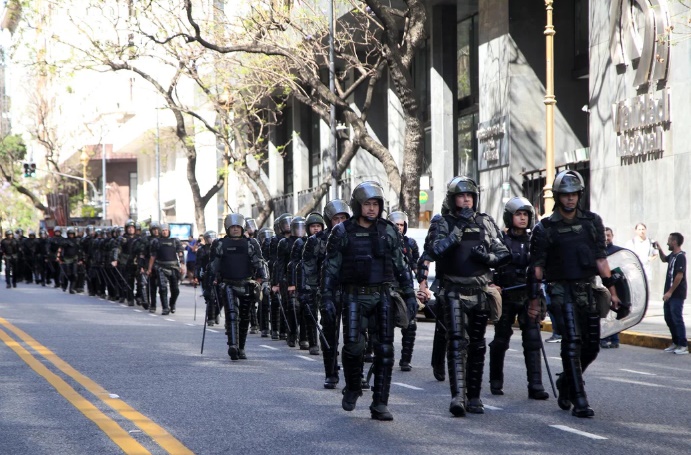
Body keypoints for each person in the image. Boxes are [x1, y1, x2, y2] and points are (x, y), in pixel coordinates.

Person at [320, 181, 417, 421]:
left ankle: (380, 403)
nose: (372, 209)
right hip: (353, 296)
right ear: (357, 205)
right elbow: (330, 268)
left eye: (375, 204)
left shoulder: (388, 231)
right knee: (353, 347)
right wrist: (327, 298)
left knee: (385, 351)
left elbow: (401, 265)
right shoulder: (342, 232)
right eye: (367, 204)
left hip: (382, 295)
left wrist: (410, 293)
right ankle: (353, 387)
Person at [529, 170, 622, 418]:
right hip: (560, 290)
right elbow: (537, 268)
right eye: (565, 195)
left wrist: (612, 291)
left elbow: (601, 260)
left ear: (579, 195)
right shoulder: (545, 227)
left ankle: (566, 382)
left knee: (591, 346)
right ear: (558, 197)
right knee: (572, 342)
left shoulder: (592, 222)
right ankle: (579, 399)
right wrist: (535, 301)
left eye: (574, 194)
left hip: (587, 288)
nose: (570, 199)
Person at [427, 176, 510, 417]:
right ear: (453, 200)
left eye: (470, 196)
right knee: (456, 344)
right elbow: (435, 251)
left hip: (479, 291)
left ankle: (474, 396)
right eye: (461, 196)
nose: (466, 200)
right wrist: (459, 229)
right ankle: (458, 396)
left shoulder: (485, 222)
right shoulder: (442, 222)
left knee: (478, 346)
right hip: (453, 290)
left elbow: (503, 253)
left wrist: (487, 259)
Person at [489, 196, 549, 400]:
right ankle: (495, 380)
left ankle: (535, 385)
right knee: (500, 340)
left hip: (529, 295)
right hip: (506, 295)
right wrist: (492, 283)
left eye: (525, 214)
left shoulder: (535, 241)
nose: (522, 218)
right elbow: (490, 265)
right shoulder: (500, 240)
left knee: (532, 340)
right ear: (509, 217)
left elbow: (543, 266)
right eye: (518, 214)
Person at [304, 200, 351, 388]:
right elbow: (308, 269)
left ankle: (355, 374)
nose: (339, 222)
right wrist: (308, 291)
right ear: (328, 220)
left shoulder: (355, 236)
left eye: (343, 218)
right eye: (336, 219)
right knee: (329, 334)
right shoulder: (316, 241)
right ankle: (331, 372)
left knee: (355, 335)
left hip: (351, 291)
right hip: (327, 293)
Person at [211, 214, 267, 360]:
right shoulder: (219, 244)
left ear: (242, 228)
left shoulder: (251, 243)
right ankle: (232, 346)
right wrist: (210, 278)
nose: (235, 229)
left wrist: (263, 279)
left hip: (247, 284)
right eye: (232, 227)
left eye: (238, 227)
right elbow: (213, 265)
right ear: (227, 228)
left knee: (245, 317)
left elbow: (259, 262)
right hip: (228, 283)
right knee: (231, 314)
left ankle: (241, 347)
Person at [388, 211, 420, 372]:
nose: (399, 228)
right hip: (388, 289)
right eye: (396, 225)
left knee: (411, 325)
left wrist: (423, 286)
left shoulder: (411, 244)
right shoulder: (384, 242)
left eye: (401, 225)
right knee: (385, 326)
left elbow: (416, 266)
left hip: (405, 289)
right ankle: (385, 357)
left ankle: (405, 360)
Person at [655, 233, 688, 355]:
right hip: (668, 293)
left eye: (669, 240)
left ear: (674, 242)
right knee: (668, 318)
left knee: (677, 318)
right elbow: (664, 259)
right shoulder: (673, 256)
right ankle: (675, 342)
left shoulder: (680, 257)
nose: (667, 243)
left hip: (676, 294)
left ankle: (683, 345)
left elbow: (679, 276)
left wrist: (670, 292)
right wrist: (659, 249)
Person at [147, 223, 185, 315]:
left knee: (175, 289)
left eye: (166, 230)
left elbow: (180, 254)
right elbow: (153, 256)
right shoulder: (156, 241)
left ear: (169, 231)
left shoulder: (175, 241)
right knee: (163, 288)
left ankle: (172, 304)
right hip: (161, 267)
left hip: (174, 267)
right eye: (163, 230)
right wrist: (149, 269)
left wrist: (182, 266)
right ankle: (165, 308)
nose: (165, 232)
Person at [601, 227, 624, 349]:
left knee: (614, 313)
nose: (606, 238)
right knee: (604, 314)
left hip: (616, 288)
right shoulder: (598, 252)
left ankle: (615, 339)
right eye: (604, 235)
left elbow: (622, 270)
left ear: (612, 236)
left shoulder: (617, 252)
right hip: (602, 289)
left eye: (608, 235)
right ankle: (604, 338)